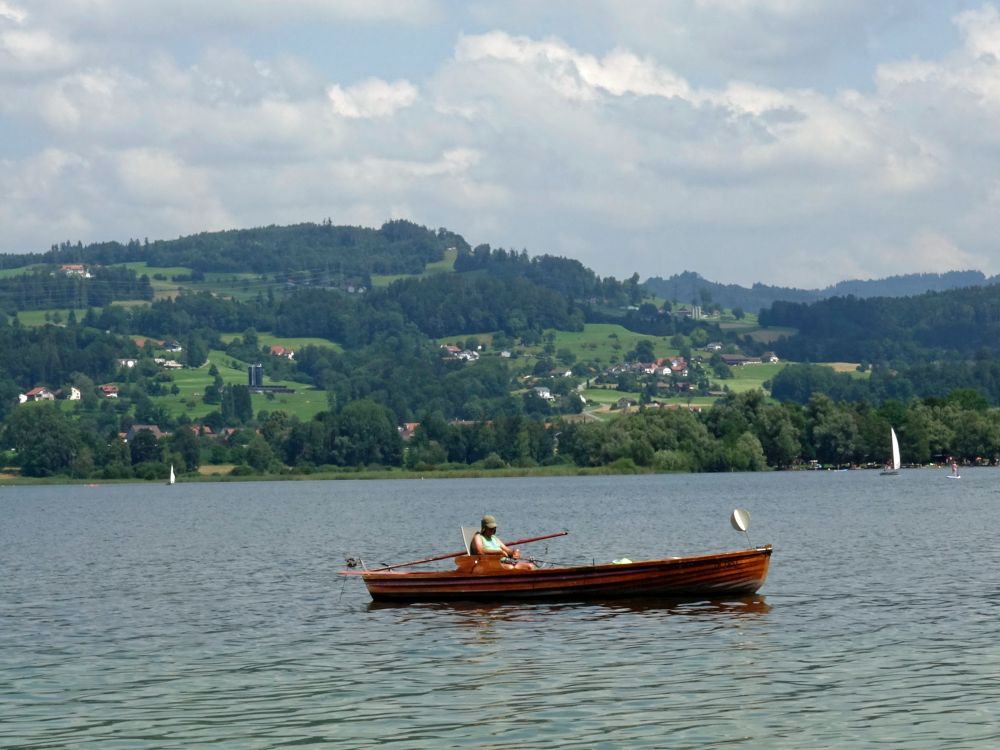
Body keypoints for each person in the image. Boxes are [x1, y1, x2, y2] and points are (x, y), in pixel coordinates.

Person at [470, 515, 534, 570]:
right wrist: (498, 552)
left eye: (494, 528)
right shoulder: (478, 537)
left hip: (502, 562)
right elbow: (480, 552)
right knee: (510, 568)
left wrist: (514, 552)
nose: (493, 531)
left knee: (530, 566)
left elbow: (506, 550)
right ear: (484, 528)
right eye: (490, 528)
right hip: (487, 565)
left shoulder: (494, 538)